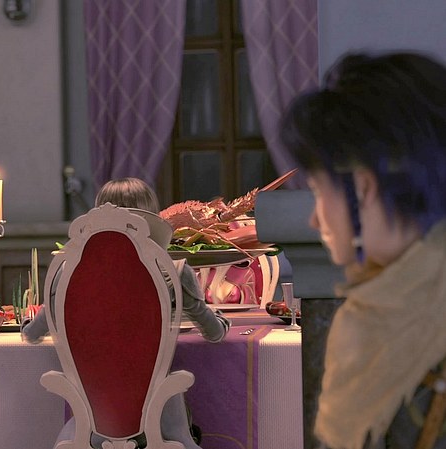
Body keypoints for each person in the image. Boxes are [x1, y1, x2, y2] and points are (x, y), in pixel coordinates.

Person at [279, 51, 446, 449]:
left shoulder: (395, 323)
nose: (315, 220)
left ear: (362, 188)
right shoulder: (387, 307)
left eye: (318, 191)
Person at [22, 177, 231, 448]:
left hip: (95, 419)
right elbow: (214, 333)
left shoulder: (67, 272)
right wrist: (221, 320)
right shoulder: (174, 272)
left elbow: (32, 333)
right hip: (160, 419)